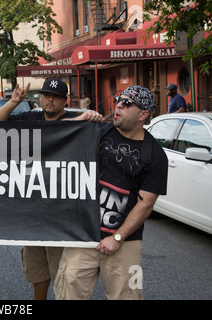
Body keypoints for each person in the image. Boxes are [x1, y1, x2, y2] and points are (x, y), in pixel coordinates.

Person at [0, 78, 103, 300]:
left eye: (57, 96)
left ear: (64, 100)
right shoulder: (32, 116)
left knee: (60, 269)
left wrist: (89, 117)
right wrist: (13, 102)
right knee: (36, 270)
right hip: (32, 210)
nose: (50, 100)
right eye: (46, 95)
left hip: (61, 211)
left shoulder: (75, 119)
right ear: (40, 97)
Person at [53, 85, 168, 300]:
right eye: (118, 99)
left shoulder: (154, 155)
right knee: (67, 291)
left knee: (127, 295)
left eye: (127, 103)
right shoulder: (100, 130)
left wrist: (117, 237)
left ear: (143, 114)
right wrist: (80, 122)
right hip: (84, 234)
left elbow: (145, 205)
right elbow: (53, 134)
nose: (119, 105)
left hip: (125, 241)